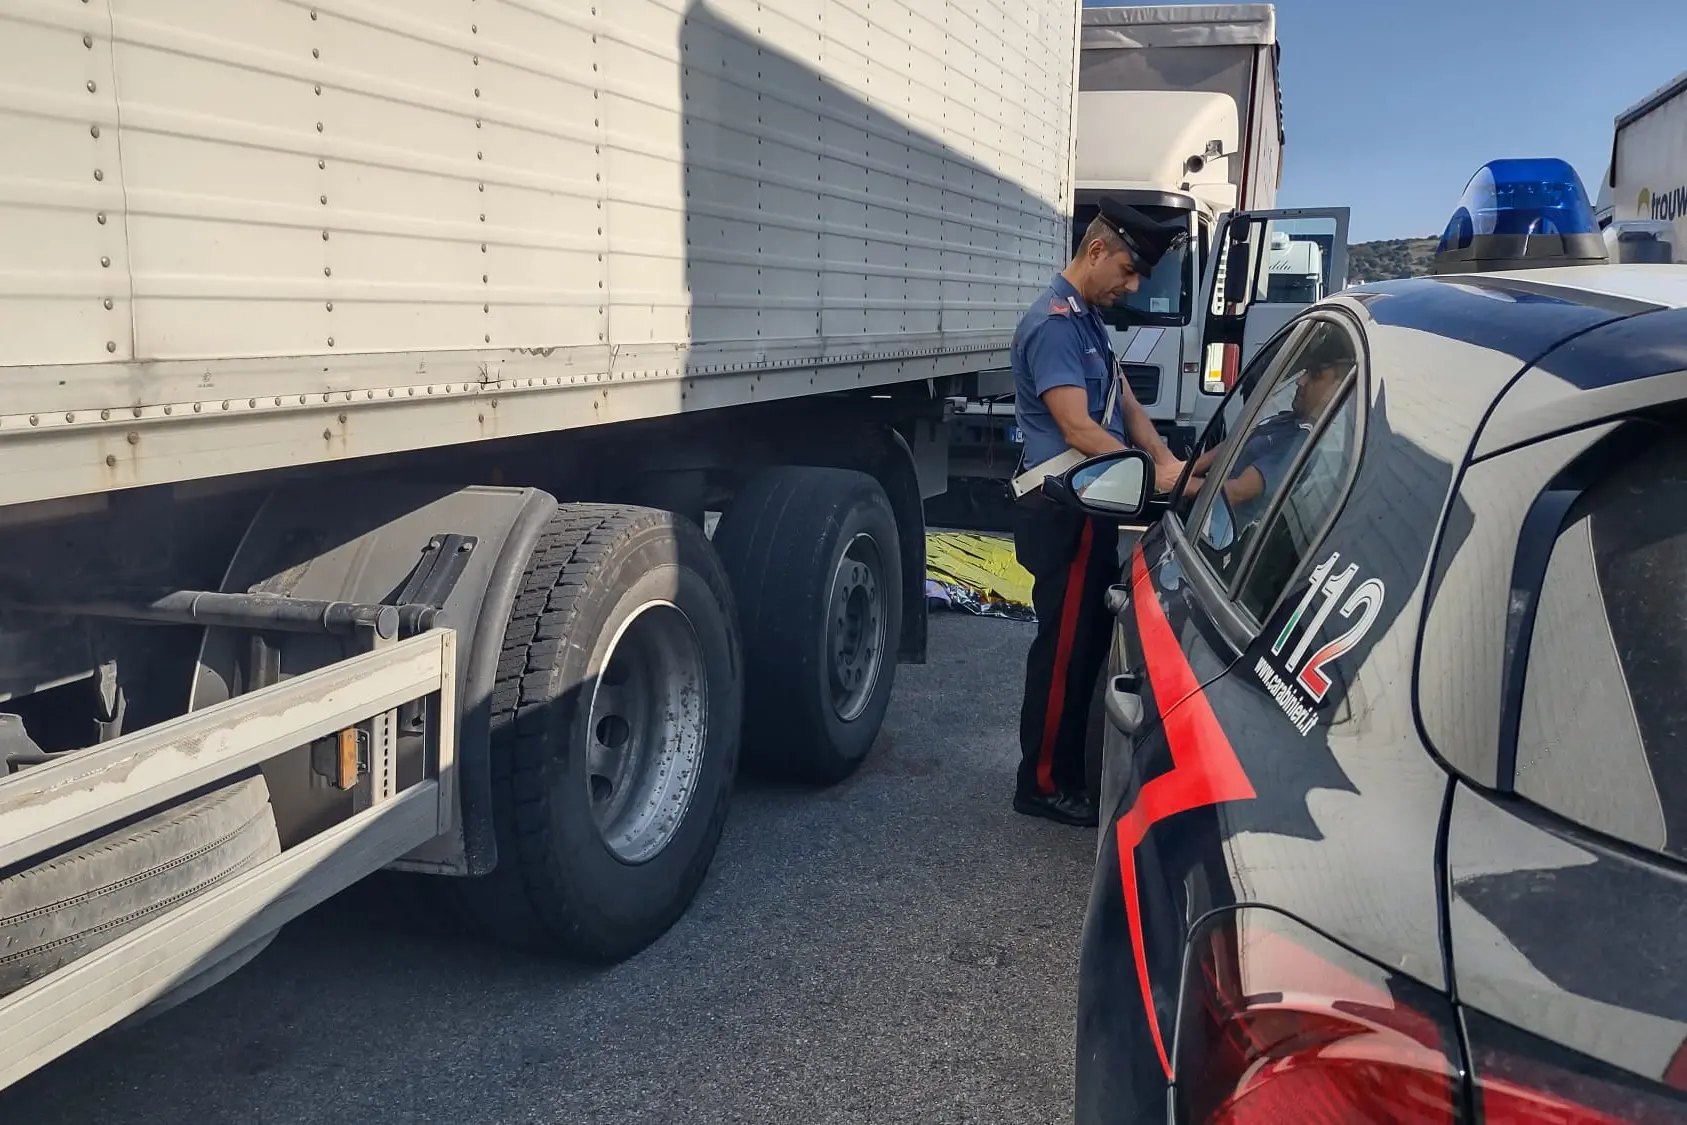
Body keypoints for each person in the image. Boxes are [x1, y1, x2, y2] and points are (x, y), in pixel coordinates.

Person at [1010, 197, 1189, 827]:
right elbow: (1076, 426)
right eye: (1130, 269)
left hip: (1094, 501)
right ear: (1096, 250)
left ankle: (1064, 771)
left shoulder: (1087, 320)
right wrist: (1143, 471)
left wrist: (1164, 458)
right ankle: (1041, 783)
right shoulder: (1056, 324)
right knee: (1063, 652)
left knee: (1085, 646)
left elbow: (1125, 404)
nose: (1134, 285)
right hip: (1066, 508)